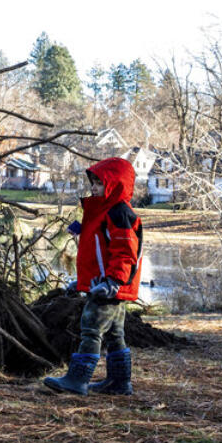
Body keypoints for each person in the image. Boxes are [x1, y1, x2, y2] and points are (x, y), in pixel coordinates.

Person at [43, 157, 143, 396]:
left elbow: (124, 251)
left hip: (109, 286)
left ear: (116, 184)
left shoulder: (120, 213)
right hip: (101, 284)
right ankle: (119, 382)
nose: (94, 188)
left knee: (91, 328)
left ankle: (77, 380)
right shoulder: (101, 212)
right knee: (114, 333)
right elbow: (96, 250)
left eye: (100, 183)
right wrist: (83, 282)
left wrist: (114, 281)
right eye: (94, 183)